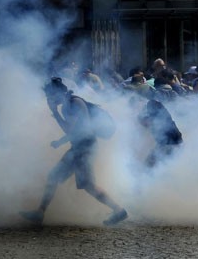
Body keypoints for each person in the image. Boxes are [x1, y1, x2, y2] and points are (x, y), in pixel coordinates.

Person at [19, 77, 127, 226]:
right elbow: (73, 130)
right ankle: (40, 212)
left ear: (57, 93)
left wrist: (56, 121)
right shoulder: (68, 105)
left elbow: (78, 130)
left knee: (85, 184)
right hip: (80, 147)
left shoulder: (75, 103)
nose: (49, 99)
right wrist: (58, 133)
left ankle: (119, 210)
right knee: (57, 178)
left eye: (50, 96)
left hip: (84, 148)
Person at [138, 99, 183, 168]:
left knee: (150, 164)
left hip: (170, 145)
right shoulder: (160, 116)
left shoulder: (154, 111)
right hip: (171, 144)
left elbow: (147, 121)